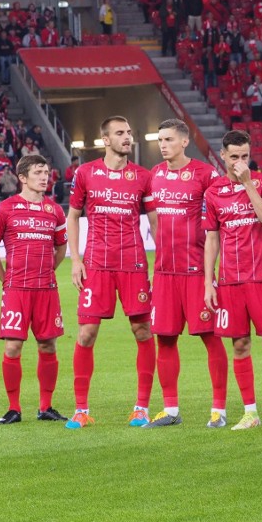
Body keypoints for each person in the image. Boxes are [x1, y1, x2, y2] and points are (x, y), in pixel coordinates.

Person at [65, 116, 157, 429]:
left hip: (133, 264)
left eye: (129, 132)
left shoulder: (143, 177)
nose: (128, 137)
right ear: (106, 139)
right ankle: (81, 409)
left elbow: (155, 222)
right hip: (97, 264)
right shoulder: (86, 173)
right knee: (86, 334)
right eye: (120, 133)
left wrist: (162, 261)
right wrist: (75, 259)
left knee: (142, 331)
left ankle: (141, 408)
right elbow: (73, 216)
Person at [203, 130, 262, 431]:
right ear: (223, 156)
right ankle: (250, 412)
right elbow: (212, 239)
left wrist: (247, 185)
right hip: (230, 281)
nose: (240, 162)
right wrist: (209, 282)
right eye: (234, 157)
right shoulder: (213, 191)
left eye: (245, 156)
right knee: (240, 346)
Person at [142, 119, 229, 428]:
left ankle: (219, 409)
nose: (162, 145)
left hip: (197, 272)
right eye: (159, 139)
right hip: (165, 272)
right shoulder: (155, 175)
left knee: (210, 336)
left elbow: (218, 221)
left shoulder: (206, 175)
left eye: (167, 139)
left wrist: (211, 274)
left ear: (183, 142)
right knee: (164, 340)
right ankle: (171, 410)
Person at [0, 155, 69, 425]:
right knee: (12, 347)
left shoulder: (55, 210)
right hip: (16, 289)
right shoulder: (5, 209)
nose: (45, 177)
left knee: (48, 344)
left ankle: (45, 406)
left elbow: (61, 248)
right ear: (22, 177)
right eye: (38, 172)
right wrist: (5, 278)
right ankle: (13, 408)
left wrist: (47, 273)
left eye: (46, 172)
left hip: (46, 289)